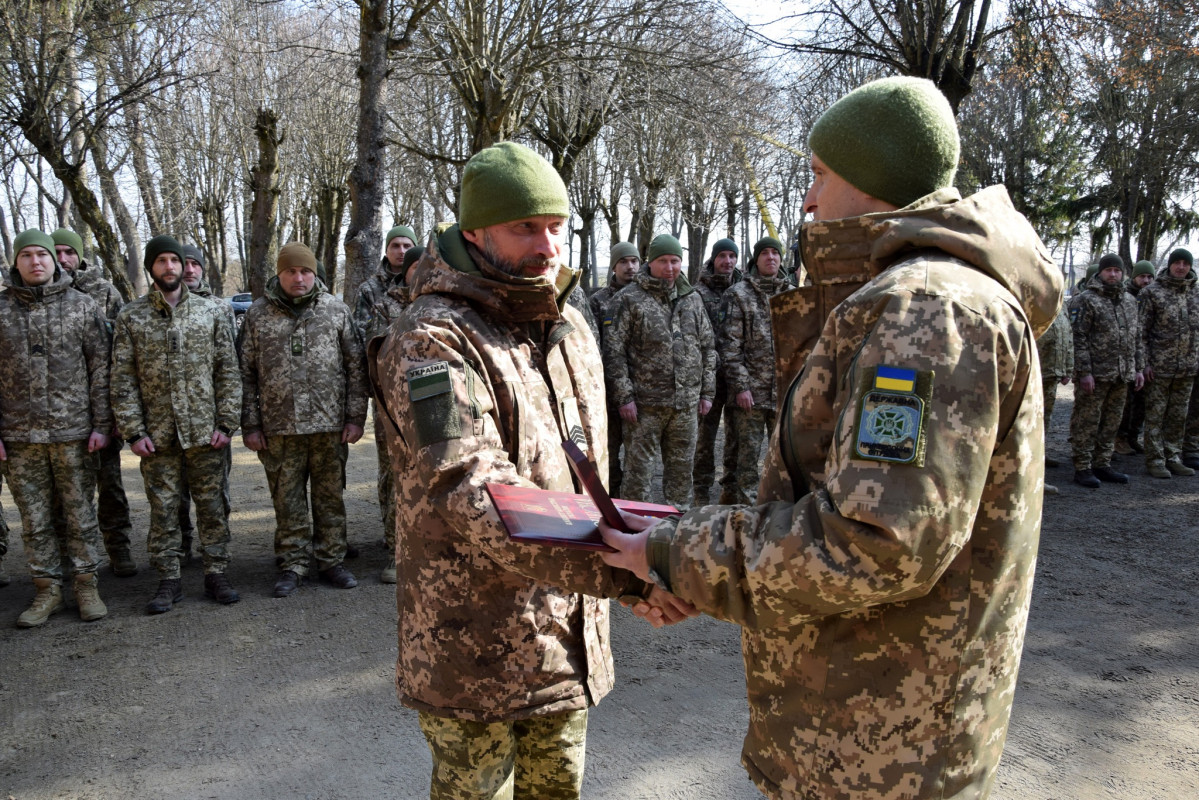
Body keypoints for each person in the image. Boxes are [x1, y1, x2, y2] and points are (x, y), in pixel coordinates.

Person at [598, 76, 1063, 799]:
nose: (808, 199)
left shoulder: (924, 311)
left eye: (819, 175)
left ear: (872, 179)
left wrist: (677, 552)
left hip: (877, 743)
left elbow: (874, 543)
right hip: (868, 718)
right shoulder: (928, 296)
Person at [370, 141, 690, 800]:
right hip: (473, 644)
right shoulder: (430, 341)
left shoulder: (568, 324)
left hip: (564, 638)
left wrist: (637, 554)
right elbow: (472, 490)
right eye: (524, 228)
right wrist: (624, 574)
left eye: (554, 227)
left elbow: (586, 478)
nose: (546, 245)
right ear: (472, 232)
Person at [110, 234, 243, 614]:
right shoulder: (132, 316)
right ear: (152, 267)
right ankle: (169, 577)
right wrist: (134, 431)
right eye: (162, 261)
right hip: (158, 435)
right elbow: (122, 378)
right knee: (164, 509)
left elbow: (227, 372)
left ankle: (216, 571)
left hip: (206, 433)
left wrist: (227, 422)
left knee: (213, 506)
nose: (171, 267)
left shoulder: (211, 312)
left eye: (176, 260)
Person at [240, 243, 368, 596]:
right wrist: (250, 424)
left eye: (305, 271)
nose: (299, 278)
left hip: (329, 426)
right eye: (291, 271)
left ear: (315, 274)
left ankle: (331, 560)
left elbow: (356, 368)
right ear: (279, 274)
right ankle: (293, 563)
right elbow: (244, 372)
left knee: (330, 498)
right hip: (279, 427)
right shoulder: (258, 315)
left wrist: (355, 418)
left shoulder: (336, 311)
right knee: (287, 499)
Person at [1, 230, 114, 627]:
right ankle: (46, 590)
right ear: (16, 262)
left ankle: (86, 585)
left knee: (81, 513)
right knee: (34, 519)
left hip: (73, 433)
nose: (36, 262)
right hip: (19, 437)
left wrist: (102, 424)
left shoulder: (82, 306)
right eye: (27, 255)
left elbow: (101, 369)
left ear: (54, 261)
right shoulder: (1, 310)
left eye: (42, 255)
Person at [603, 233, 715, 510]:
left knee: (680, 473)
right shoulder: (628, 299)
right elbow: (614, 353)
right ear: (650, 263)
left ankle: (675, 529)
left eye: (675, 261)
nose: (670, 268)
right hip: (644, 407)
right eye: (663, 261)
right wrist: (624, 397)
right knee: (638, 474)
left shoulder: (692, 299)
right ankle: (636, 528)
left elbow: (708, 346)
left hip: (685, 405)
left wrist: (707, 392)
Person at [50, 228, 138, 576]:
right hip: (59, 414)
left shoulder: (103, 291)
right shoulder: (41, 295)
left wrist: (117, 413)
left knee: (110, 487)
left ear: (78, 255)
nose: (62, 258)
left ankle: (119, 549)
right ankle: (69, 557)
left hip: (102, 406)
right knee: (64, 493)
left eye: (67, 252)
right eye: (55, 252)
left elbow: (120, 352)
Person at [354, 224, 418, 583]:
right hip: (389, 396)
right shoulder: (373, 292)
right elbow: (365, 338)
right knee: (391, 469)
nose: (400, 250)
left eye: (407, 246)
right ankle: (392, 534)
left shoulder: (430, 291)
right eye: (395, 245)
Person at [717, 235, 786, 505]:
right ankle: (744, 517)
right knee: (746, 461)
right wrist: (742, 387)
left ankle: (775, 513)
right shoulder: (738, 295)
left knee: (781, 458)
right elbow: (729, 347)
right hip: (750, 397)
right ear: (756, 259)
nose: (771, 257)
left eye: (775, 253)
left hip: (782, 394)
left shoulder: (791, 294)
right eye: (765, 253)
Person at [1070, 253, 1144, 488]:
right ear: (1100, 272)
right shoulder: (1086, 300)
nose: (1113, 274)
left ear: (1123, 274)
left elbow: (1136, 337)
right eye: (1109, 270)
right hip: (1095, 375)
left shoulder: (1130, 301)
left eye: (1117, 270)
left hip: (1122, 374)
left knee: (1112, 421)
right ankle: (1082, 466)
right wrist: (1084, 372)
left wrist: (1138, 368)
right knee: (1088, 421)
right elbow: (1078, 337)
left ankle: (1102, 463)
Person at [1138, 248, 1199, 478]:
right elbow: (1140, 332)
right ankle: (1155, 459)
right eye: (1177, 263)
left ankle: (1173, 456)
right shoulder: (1152, 293)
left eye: (1185, 263)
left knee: (1178, 415)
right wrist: (1144, 363)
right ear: (1170, 265)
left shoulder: (1195, 292)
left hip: (1187, 368)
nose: (1181, 267)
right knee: (1155, 415)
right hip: (1159, 368)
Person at [587, 241, 640, 496]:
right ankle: (611, 500)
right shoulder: (598, 301)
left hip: (639, 390)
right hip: (606, 391)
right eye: (623, 262)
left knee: (637, 456)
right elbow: (592, 345)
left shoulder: (647, 299)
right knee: (608, 451)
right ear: (614, 266)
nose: (630, 267)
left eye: (634, 261)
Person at [692, 238, 740, 504]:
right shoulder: (699, 293)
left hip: (735, 377)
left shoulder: (744, 290)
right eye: (722, 256)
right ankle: (701, 491)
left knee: (736, 437)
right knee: (704, 439)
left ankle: (729, 491)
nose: (728, 261)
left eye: (732, 256)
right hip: (707, 379)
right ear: (713, 259)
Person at [1115, 259, 1156, 454]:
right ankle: (1120, 438)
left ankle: (1132, 437)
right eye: (1142, 276)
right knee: (1126, 403)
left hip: (1143, 357)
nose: (1146, 280)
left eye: (1149, 277)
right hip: (1125, 357)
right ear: (1134, 277)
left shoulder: (1153, 296)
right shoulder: (1125, 296)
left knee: (1140, 402)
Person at [1036, 305, 1073, 494]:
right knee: (1029, 424)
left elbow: (1067, 337)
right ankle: (1032, 477)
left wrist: (1068, 366)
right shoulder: (1029, 300)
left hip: (1051, 373)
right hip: (1033, 373)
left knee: (1044, 421)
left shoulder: (1060, 305)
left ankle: (1039, 462)